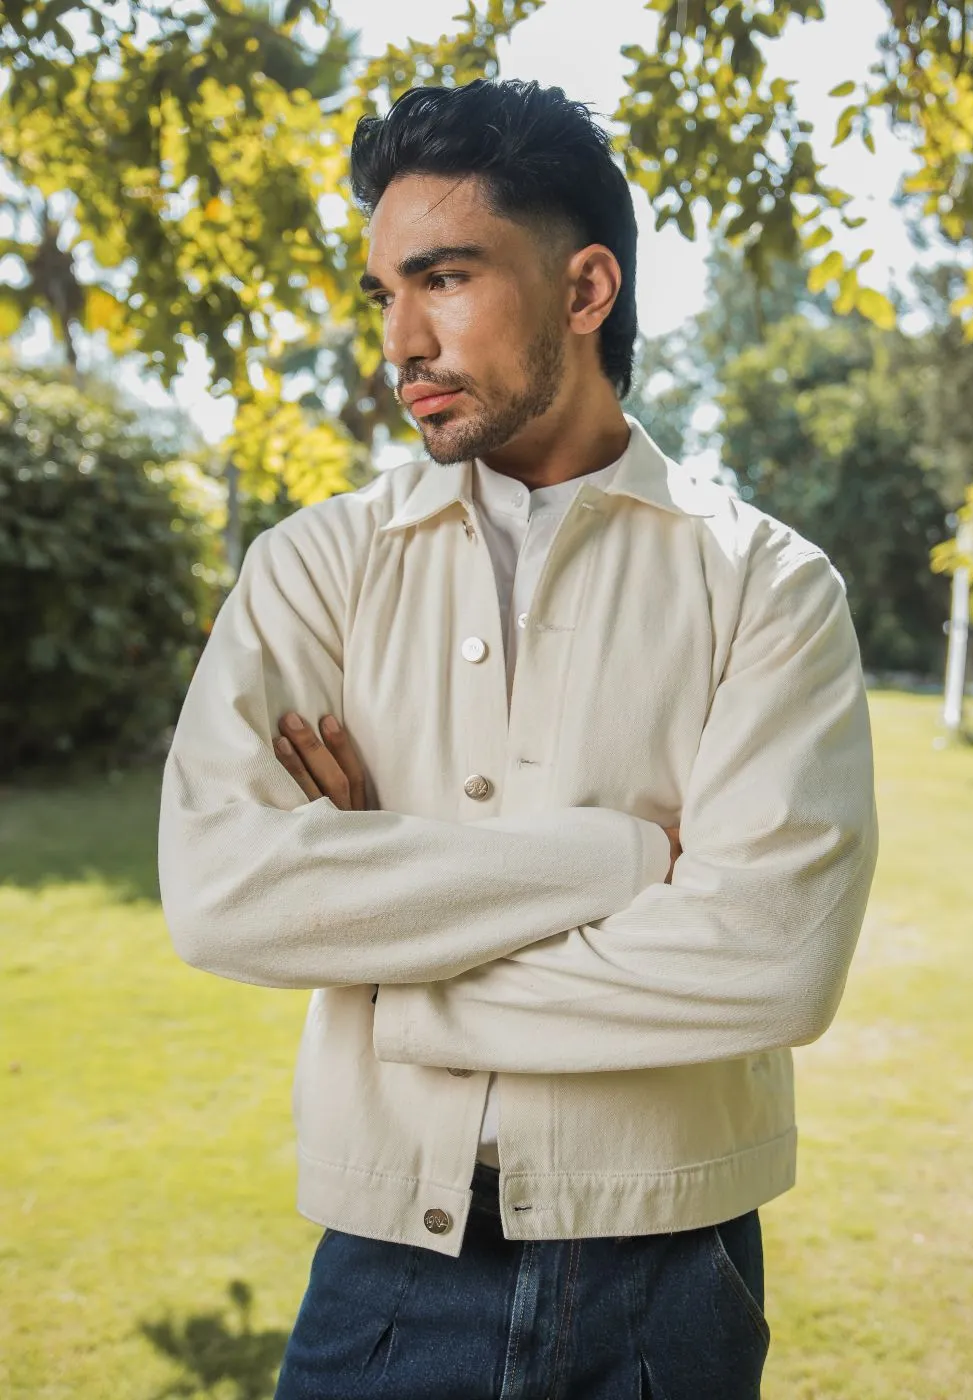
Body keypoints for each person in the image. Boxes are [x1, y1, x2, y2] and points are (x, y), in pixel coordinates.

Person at [158, 78, 879, 1400]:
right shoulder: (313, 570)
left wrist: (392, 954)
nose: (401, 342)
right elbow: (221, 898)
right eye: (384, 293)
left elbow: (771, 960)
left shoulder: (767, 586)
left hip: (675, 1275)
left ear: (586, 288)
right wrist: (610, 863)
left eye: (442, 278)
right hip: (388, 1268)